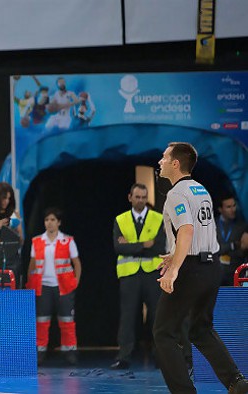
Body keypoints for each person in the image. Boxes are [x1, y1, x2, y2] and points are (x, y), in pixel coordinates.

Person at [154, 142, 248, 393]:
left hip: (191, 269)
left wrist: (174, 269)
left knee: (163, 333)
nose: (160, 162)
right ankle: (236, 382)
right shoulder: (201, 190)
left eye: (164, 158)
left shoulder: (175, 194)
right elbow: (198, 233)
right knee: (201, 329)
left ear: (176, 163)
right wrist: (174, 254)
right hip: (212, 267)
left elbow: (186, 230)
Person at [111, 183, 166, 370]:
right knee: (127, 316)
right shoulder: (121, 220)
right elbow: (118, 247)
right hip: (130, 275)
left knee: (156, 316)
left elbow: (159, 247)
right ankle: (124, 356)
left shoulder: (158, 219)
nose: (140, 200)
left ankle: (160, 356)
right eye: (137, 197)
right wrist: (145, 245)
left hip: (152, 274)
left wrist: (132, 245)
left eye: (144, 197)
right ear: (130, 197)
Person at [26, 207, 82, 366]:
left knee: (66, 320)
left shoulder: (67, 240)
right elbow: (32, 264)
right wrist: (30, 281)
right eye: (47, 220)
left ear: (59, 222)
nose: (49, 223)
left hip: (63, 287)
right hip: (43, 286)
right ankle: (40, 353)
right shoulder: (37, 241)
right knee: (42, 321)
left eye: (52, 220)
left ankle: (70, 352)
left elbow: (76, 262)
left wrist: (76, 280)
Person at [215, 195, 248, 286]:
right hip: (217, 272)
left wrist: (241, 248)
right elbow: (214, 249)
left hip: (235, 272)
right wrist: (233, 245)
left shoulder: (242, 226)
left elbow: (242, 251)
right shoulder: (213, 225)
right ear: (220, 209)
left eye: (234, 205)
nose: (233, 209)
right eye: (228, 207)